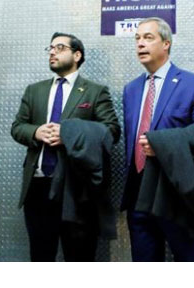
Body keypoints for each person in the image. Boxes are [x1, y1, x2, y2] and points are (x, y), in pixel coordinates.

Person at [11, 33, 120, 261]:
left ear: (77, 55)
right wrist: (36, 132)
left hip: (77, 191)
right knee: (41, 257)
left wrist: (69, 134)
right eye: (50, 48)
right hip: (38, 188)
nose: (52, 52)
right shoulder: (35, 90)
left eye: (60, 48)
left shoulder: (94, 91)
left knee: (79, 257)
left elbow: (111, 132)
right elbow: (18, 127)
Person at [121, 17, 194, 261]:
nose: (140, 44)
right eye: (137, 38)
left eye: (148, 38)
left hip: (176, 196)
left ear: (166, 44)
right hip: (138, 195)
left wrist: (163, 145)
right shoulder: (131, 90)